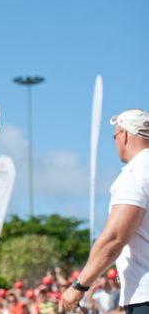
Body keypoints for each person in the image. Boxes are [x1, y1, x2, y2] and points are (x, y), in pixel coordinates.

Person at [61, 108, 149, 314]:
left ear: (124, 135)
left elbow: (115, 238)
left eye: (114, 136)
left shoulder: (136, 173)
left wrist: (79, 286)